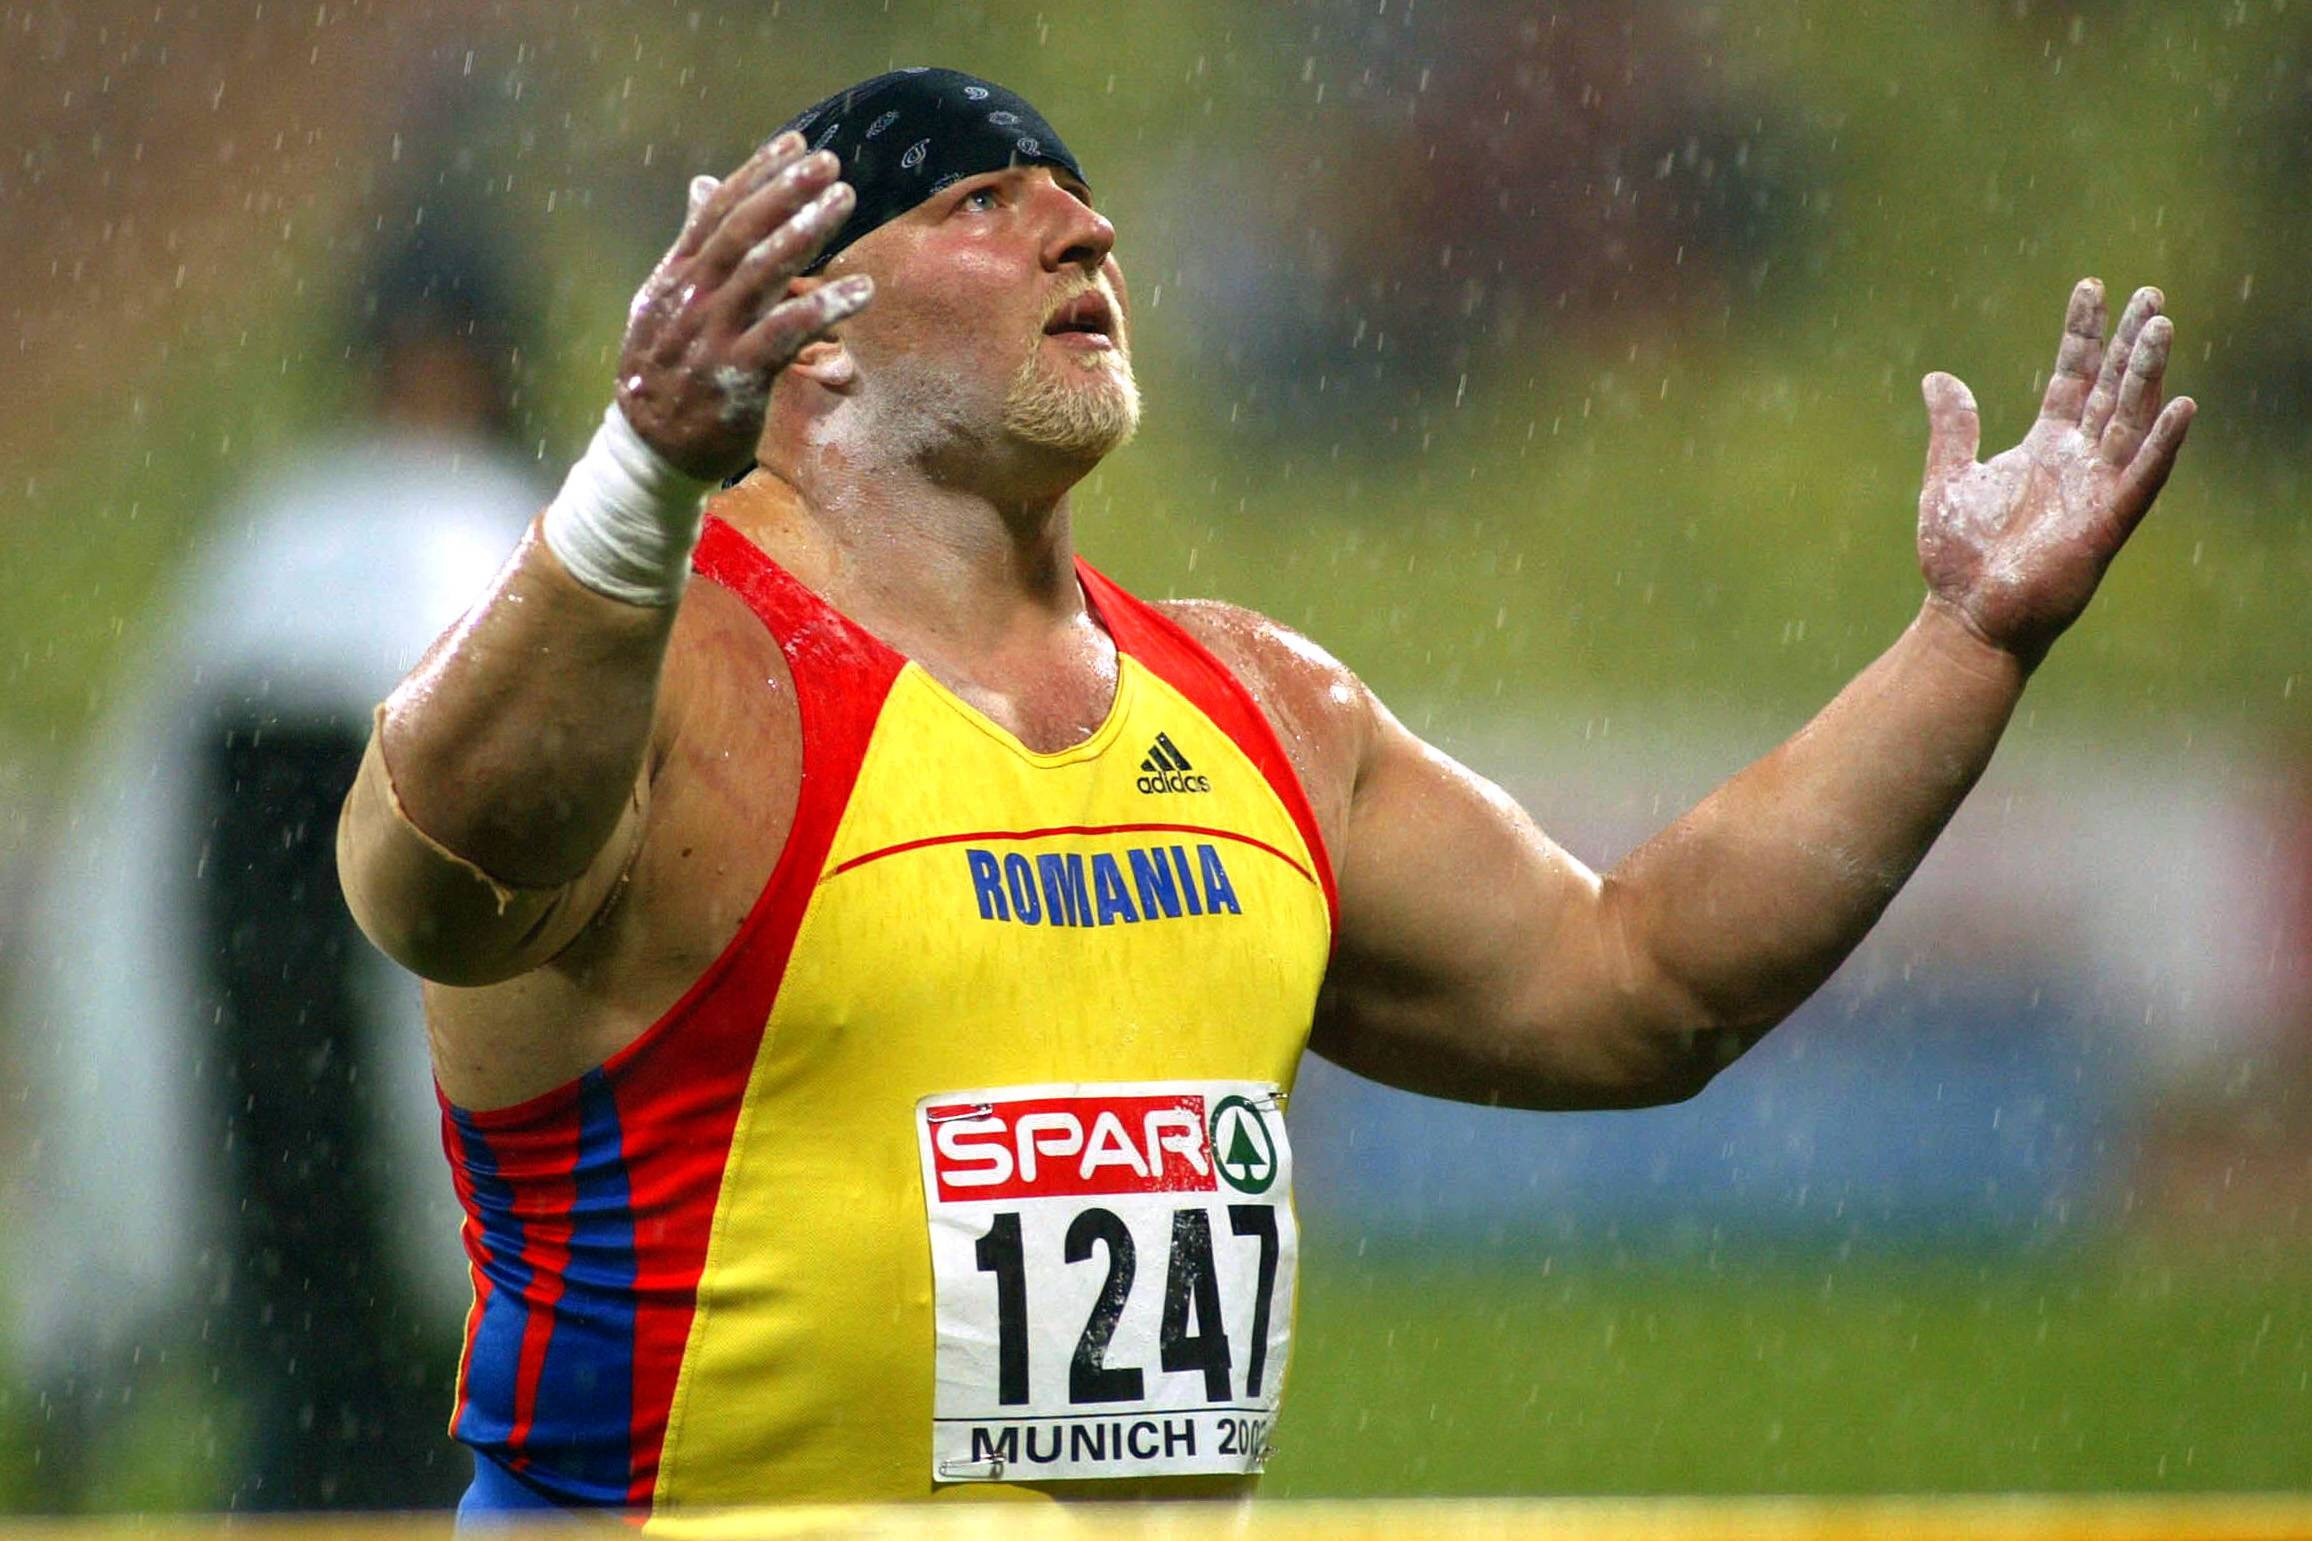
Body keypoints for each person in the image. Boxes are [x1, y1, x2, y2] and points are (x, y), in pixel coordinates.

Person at [335, 68, 2195, 1519]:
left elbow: (1644, 984)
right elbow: (421, 879)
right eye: (986, 201)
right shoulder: (663, 663)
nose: (1086, 230)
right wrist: (639, 474)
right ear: (808, 322)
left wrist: (1970, 640)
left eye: (1079, 199)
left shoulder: (1262, 712)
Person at [13, 213, 540, 1509]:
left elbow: (124, 886)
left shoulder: (268, 561)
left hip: (292, 1183)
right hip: (344, 1195)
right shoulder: (509, 547)